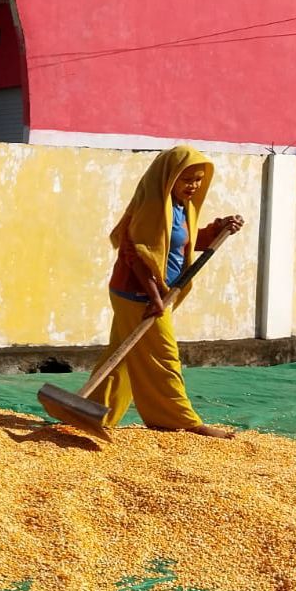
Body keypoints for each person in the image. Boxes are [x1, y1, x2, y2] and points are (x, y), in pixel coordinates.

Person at [88, 145, 244, 439]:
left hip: (152, 294)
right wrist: (154, 296)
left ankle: (94, 411)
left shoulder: (181, 206)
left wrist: (219, 228)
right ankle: (181, 421)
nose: (193, 186)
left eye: (198, 180)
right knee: (164, 357)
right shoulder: (152, 206)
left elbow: (185, 241)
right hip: (138, 294)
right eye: (187, 180)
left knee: (124, 355)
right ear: (169, 177)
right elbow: (136, 255)